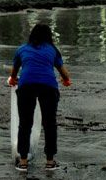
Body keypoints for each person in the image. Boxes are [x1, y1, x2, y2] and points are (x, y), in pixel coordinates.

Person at [8, 24, 71, 171]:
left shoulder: (22, 49)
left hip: (26, 86)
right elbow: (64, 73)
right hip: (48, 86)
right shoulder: (52, 50)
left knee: (25, 123)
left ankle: (23, 162)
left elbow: (14, 72)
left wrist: (12, 80)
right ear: (49, 36)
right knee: (49, 124)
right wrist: (66, 81)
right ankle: (50, 161)